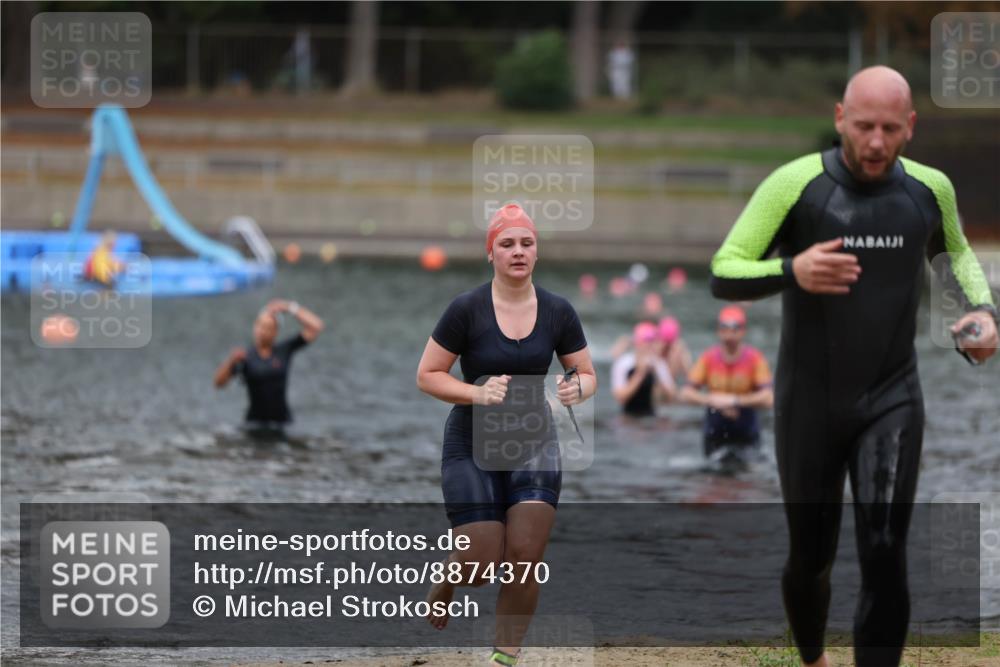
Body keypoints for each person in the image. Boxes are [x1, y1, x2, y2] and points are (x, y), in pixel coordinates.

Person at [709, 66, 998, 667]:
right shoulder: (795, 185)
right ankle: (813, 656)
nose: (875, 142)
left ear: (910, 127)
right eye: (864, 126)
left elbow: (957, 254)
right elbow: (725, 269)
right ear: (840, 118)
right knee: (811, 557)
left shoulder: (929, 190)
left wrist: (982, 312)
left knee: (885, 549)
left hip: (892, 397)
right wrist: (792, 270)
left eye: (890, 129)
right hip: (809, 403)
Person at [416, 203, 596, 667]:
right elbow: (428, 375)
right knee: (480, 564)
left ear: (537, 252)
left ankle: (504, 657)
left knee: (525, 556)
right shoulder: (466, 309)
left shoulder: (558, 311)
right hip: (471, 441)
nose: (518, 251)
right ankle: (450, 575)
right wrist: (476, 393)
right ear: (491, 253)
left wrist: (576, 388)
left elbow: (587, 374)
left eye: (527, 243)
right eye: (507, 244)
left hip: (534, 441)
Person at [214, 299, 324, 433]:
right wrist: (230, 361)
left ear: (276, 331)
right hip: (255, 424)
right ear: (255, 327)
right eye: (260, 326)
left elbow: (316, 326)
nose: (263, 331)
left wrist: (289, 307)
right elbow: (218, 383)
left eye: (268, 328)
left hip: (282, 423)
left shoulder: (284, 350)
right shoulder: (245, 357)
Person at [679, 306, 773, 457]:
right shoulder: (708, 358)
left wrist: (735, 400)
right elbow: (685, 393)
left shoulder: (755, 359)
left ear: (743, 331)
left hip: (746, 431)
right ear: (718, 331)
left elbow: (769, 398)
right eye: (724, 329)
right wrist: (712, 400)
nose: (729, 335)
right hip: (715, 431)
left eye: (734, 329)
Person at [612, 321, 676, 417]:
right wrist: (640, 374)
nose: (651, 344)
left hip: (651, 415)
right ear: (638, 343)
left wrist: (657, 376)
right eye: (648, 341)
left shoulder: (658, 363)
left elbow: (671, 396)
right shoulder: (623, 363)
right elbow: (620, 398)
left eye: (654, 341)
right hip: (627, 416)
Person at [657, 316, 693, 381]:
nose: (667, 346)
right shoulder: (655, 349)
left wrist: (676, 356)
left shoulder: (680, 350)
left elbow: (692, 378)